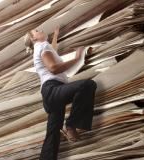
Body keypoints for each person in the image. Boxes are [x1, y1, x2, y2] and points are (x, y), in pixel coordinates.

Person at [24, 26, 97, 160]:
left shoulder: (42, 48)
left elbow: (52, 50)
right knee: (87, 85)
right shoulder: (42, 46)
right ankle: (71, 125)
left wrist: (56, 35)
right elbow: (53, 68)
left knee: (52, 134)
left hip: (50, 96)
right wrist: (77, 58)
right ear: (34, 38)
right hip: (53, 90)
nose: (41, 30)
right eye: (37, 31)